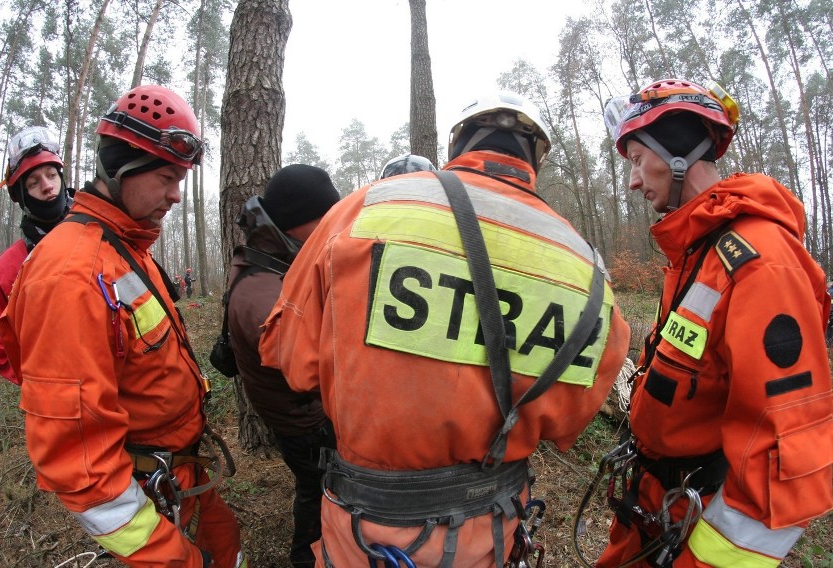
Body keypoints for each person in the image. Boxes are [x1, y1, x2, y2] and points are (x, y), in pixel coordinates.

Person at [259, 91, 630, 567]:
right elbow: (571, 413)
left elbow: (289, 357)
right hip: (493, 531)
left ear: (460, 143)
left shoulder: (365, 210)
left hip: (368, 535)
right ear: (535, 158)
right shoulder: (588, 268)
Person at [0, 84, 246, 568]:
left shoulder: (123, 248)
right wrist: (170, 556)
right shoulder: (70, 275)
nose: (177, 195)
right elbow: (80, 466)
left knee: (228, 547)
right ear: (122, 168)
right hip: (149, 506)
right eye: (167, 177)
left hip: (180, 479)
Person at [597, 78, 833, 567]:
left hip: (697, 529)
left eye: (639, 159)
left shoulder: (760, 261)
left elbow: (790, 457)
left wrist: (704, 559)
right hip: (654, 508)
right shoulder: (695, 253)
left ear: (680, 153)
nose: (634, 181)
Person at [229, 164, 340, 567]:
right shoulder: (261, 293)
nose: (332, 230)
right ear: (297, 225)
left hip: (303, 413)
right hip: (304, 421)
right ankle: (307, 558)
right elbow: (308, 365)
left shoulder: (275, 262)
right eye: (324, 221)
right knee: (322, 490)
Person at [0, 126, 73, 385]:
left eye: (51, 175)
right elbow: (0, 348)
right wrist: (47, 384)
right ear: (21, 196)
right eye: (34, 183)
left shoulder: (103, 233)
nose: (48, 187)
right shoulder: (6, 270)